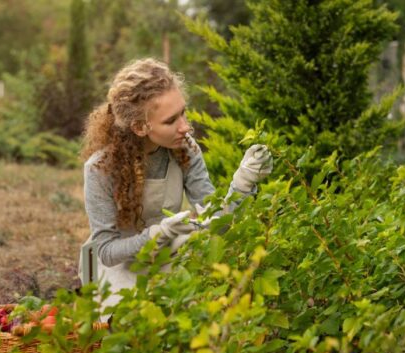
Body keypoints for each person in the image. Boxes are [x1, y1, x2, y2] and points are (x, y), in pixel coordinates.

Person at [79, 58, 272, 311]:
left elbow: (217, 223)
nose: (186, 127)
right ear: (139, 127)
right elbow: (106, 251)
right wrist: (156, 235)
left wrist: (243, 184)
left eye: (183, 112)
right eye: (171, 121)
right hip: (119, 267)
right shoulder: (100, 169)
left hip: (168, 256)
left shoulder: (186, 149)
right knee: (129, 327)